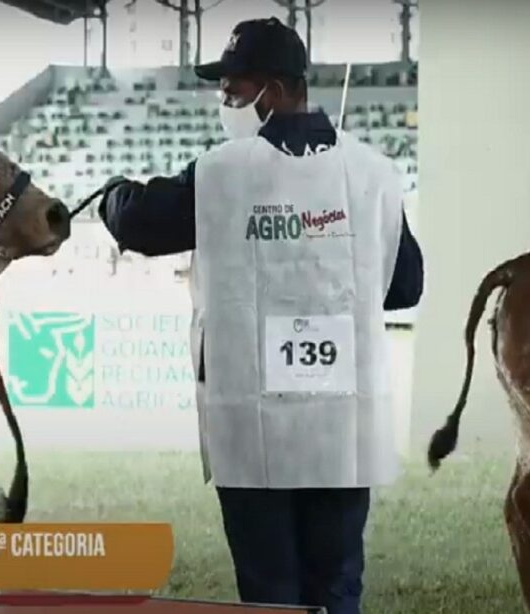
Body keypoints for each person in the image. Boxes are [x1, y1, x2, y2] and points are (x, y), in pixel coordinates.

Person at [97, 17, 423, 614]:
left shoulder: (223, 172)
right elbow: (405, 287)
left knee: (268, 592)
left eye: (233, 89)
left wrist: (115, 187)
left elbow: (137, 222)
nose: (224, 102)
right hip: (342, 431)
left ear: (271, 92)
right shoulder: (374, 174)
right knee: (337, 587)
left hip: (255, 432)